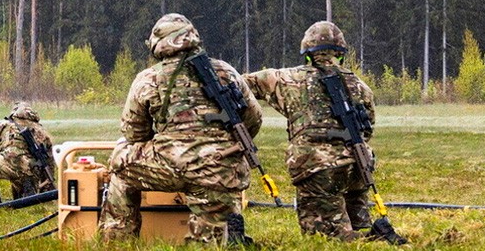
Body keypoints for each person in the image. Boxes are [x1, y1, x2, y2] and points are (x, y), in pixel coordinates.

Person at [99, 13, 262, 245]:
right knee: (212, 237)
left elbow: (134, 133)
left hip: (170, 166)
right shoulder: (226, 72)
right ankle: (223, 230)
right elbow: (253, 119)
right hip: (222, 169)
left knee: (120, 164)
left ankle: (118, 241)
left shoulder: (148, 79)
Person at [243, 21, 381, 241]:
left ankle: (364, 238)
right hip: (359, 168)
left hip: (318, 169)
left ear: (307, 54)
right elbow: (367, 129)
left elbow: (240, 84)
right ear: (341, 54)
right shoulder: (361, 86)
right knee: (357, 222)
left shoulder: (286, 79)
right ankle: (362, 228)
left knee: (325, 237)